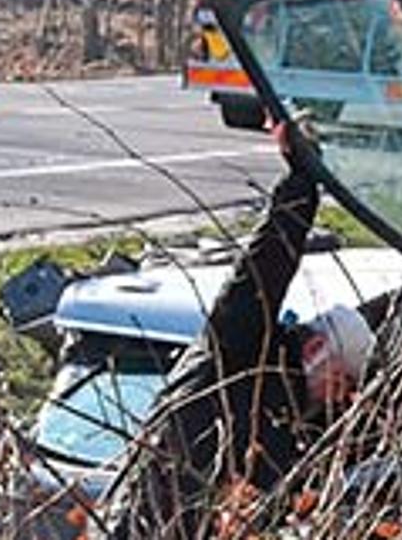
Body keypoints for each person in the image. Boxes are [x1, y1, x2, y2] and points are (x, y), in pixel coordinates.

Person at [99, 122, 377, 539]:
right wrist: (301, 185)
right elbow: (263, 269)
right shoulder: (237, 349)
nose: (338, 395)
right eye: (340, 379)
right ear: (316, 347)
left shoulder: (295, 428)